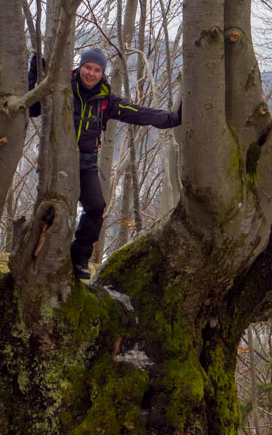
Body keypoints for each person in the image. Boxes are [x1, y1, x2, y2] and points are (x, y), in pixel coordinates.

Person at [29, 46, 181, 278]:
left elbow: (137, 112)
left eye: (97, 70)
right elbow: (33, 108)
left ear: (103, 73)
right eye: (87, 68)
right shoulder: (62, 88)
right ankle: (34, 256)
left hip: (86, 163)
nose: (91, 73)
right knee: (52, 209)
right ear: (80, 67)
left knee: (96, 206)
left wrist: (172, 119)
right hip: (56, 161)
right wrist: (34, 73)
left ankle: (79, 259)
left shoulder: (105, 100)